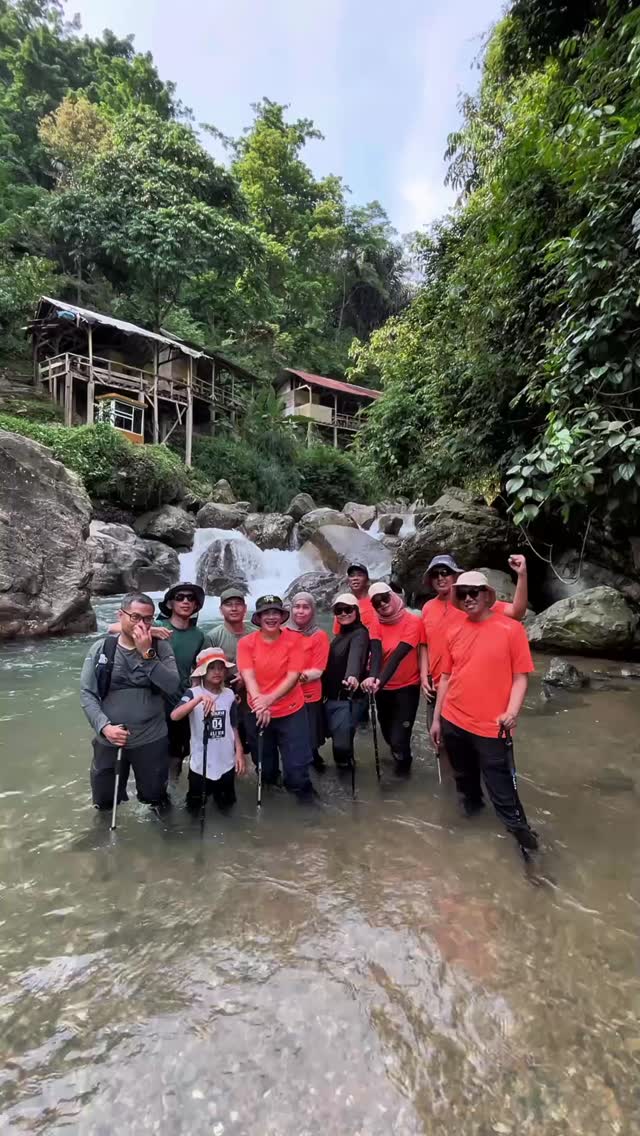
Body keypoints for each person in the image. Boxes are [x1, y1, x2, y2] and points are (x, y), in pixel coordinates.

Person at [430, 571, 538, 853]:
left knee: (504, 793)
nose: (468, 598)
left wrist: (512, 712)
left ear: (487, 595)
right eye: (462, 593)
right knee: (465, 781)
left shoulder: (511, 629)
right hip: (453, 721)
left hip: (493, 727)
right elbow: (445, 677)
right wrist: (437, 719)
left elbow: (520, 677)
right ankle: (471, 825)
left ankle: (527, 847)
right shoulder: (453, 630)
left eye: (474, 592)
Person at [80, 591, 180, 811]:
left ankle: (164, 841)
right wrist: (104, 727)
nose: (141, 624)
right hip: (109, 739)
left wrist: (148, 656)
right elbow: (88, 693)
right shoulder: (102, 649)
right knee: (105, 801)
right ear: (120, 615)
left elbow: (173, 686)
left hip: (152, 738)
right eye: (135, 617)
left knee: (156, 798)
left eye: (147, 619)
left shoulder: (161, 648)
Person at [108, 581, 205, 780]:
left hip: (181, 701)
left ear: (196, 605)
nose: (185, 601)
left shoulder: (198, 636)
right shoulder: (156, 625)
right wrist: (150, 631)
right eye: (179, 597)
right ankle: (153, 792)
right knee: (155, 755)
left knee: (177, 754)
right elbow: (112, 628)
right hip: (156, 703)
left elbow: (197, 669)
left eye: (191, 598)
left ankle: (171, 790)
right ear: (169, 604)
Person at [420, 553, 529, 705]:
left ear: (456, 575)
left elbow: (517, 612)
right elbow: (425, 644)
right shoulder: (427, 608)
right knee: (434, 728)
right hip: (435, 687)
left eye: (445, 572)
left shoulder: (471, 602)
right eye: (435, 574)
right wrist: (424, 675)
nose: (440, 578)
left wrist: (522, 575)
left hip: (462, 688)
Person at [237, 594, 314, 799]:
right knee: (266, 770)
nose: (271, 617)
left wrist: (268, 700)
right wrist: (260, 704)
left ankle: (307, 807)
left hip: (291, 712)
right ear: (258, 618)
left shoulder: (296, 640)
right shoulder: (246, 643)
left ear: (281, 616)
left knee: (297, 771)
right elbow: (248, 675)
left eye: (275, 613)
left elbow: (293, 676)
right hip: (258, 712)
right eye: (266, 613)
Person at [170, 647, 245, 812]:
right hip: (200, 765)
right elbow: (175, 715)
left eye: (220, 667)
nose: (217, 672)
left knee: (227, 807)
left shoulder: (229, 695)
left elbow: (233, 724)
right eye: (211, 667)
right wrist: (198, 700)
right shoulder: (192, 693)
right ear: (202, 672)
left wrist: (239, 750)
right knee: (195, 810)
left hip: (226, 762)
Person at [361, 583, 424, 773]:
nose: (382, 604)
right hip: (383, 690)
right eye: (376, 602)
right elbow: (377, 654)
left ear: (392, 596)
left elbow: (397, 656)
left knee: (399, 739)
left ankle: (403, 771)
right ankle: (399, 755)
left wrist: (378, 681)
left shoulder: (413, 621)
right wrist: (373, 678)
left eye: (384, 598)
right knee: (388, 733)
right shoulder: (375, 622)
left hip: (407, 687)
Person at [323, 594, 373, 769]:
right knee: (338, 746)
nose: (343, 613)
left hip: (348, 699)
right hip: (332, 698)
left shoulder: (360, 633)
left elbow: (356, 656)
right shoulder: (340, 636)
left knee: (341, 747)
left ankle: (346, 790)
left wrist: (352, 675)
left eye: (348, 609)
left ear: (356, 611)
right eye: (339, 610)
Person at [203, 587, 252, 751]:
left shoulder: (256, 634)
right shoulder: (212, 637)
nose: (234, 608)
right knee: (225, 744)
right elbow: (205, 671)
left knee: (255, 743)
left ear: (245, 608)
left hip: (253, 698)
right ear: (220, 609)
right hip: (224, 698)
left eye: (238, 604)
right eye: (228, 604)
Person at [286, 592, 330, 772]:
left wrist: (289, 678)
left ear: (312, 611)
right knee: (291, 736)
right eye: (297, 607)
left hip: (309, 694)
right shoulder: (284, 632)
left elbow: (317, 671)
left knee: (310, 736)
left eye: (306, 607)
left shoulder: (319, 636)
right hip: (287, 695)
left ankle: (313, 760)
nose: (300, 611)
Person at [332, 563, 379, 634]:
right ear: (348, 581)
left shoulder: (377, 599)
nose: (355, 578)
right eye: (352, 576)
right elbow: (338, 633)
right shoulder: (343, 605)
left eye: (360, 575)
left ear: (367, 580)